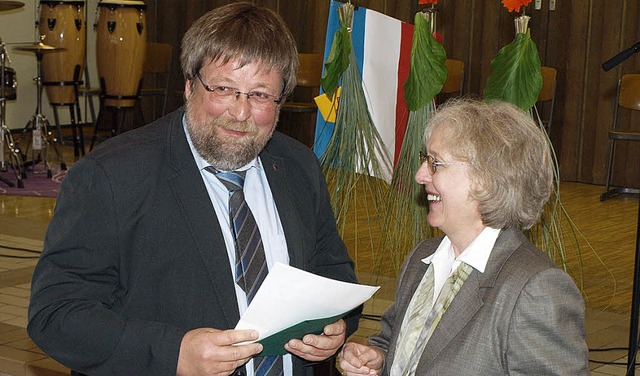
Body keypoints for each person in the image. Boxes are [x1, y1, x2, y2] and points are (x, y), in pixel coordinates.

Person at [27, 3, 359, 375]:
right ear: (189, 85)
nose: (240, 112)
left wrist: (335, 326)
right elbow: (55, 315)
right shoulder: (111, 177)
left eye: (260, 95)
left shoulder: (298, 166)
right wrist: (174, 353)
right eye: (223, 88)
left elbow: (333, 271)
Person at [338, 98, 589, 375]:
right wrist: (378, 357)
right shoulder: (422, 258)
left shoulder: (534, 289)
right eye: (426, 161)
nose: (420, 175)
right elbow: (398, 343)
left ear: (487, 178)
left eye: (436, 163)